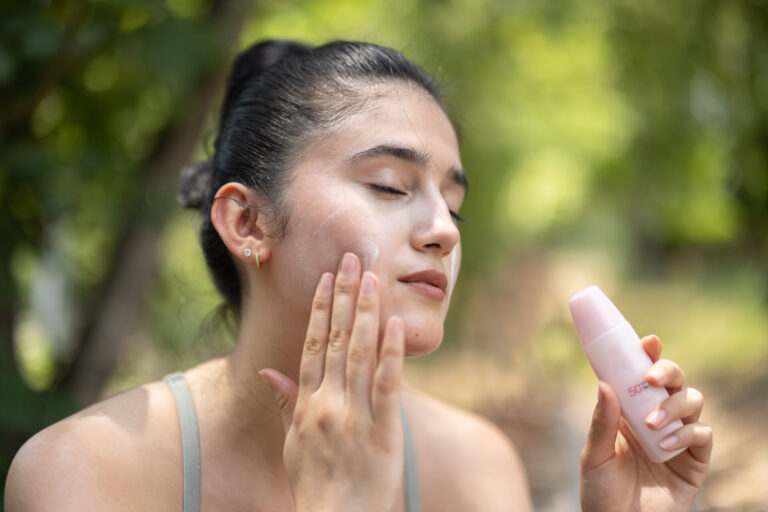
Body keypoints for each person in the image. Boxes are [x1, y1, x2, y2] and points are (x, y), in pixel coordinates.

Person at [5, 40, 712, 511]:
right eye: (389, 186)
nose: (442, 228)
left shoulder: (474, 470)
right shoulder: (84, 475)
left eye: (453, 202)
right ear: (247, 223)